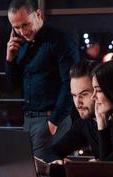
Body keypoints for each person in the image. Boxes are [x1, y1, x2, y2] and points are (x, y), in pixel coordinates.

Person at [5, 0, 80, 159]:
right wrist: (10, 59)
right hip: (28, 120)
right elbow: (14, 84)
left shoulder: (61, 40)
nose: (22, 32)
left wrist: (54, 121)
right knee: (27, 174)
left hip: (51, 119)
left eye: (25, 25)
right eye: (16, 28)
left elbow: (71, 84)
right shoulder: (21, 44)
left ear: (38, 14)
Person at [45, 59, 100, 162]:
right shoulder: (85, 122)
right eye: (74, 95)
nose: (78, 103)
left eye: (84, 94)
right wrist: (58, 161)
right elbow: (53, 152)